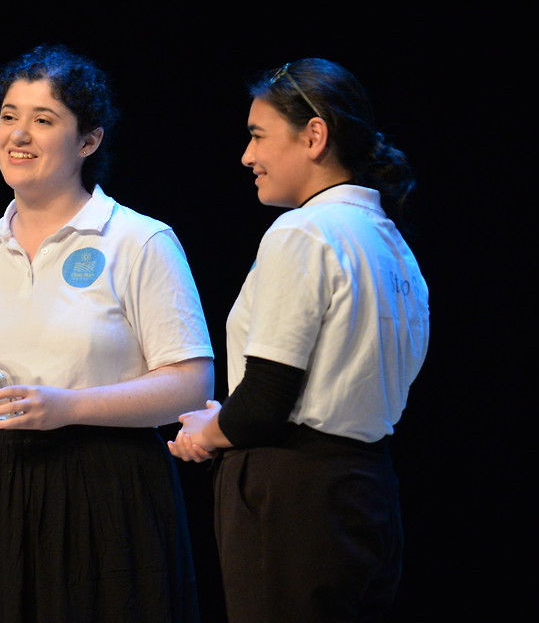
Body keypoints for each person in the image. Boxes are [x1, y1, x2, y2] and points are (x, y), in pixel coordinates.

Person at [0, 44, 215, 622]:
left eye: (43, 120)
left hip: (109, 485)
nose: (17, 134)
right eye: (9, 116)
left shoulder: (138, 240)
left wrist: (67, 406)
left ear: (88, 142)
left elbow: (190, 384)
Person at [167, 58, 430, 623]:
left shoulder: (304, 231)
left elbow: (266, 399)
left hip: (295, 499)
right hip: (367, 491)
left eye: (258, 135)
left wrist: (205, 432)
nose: (247, 156)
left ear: (314, 136)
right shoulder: (392, 243)